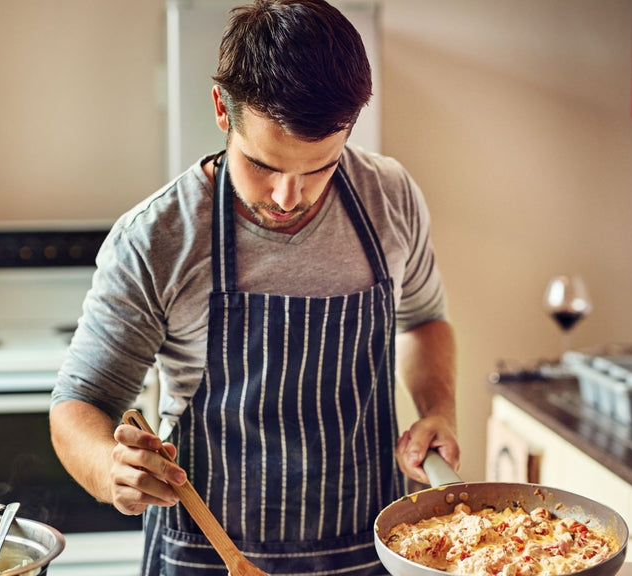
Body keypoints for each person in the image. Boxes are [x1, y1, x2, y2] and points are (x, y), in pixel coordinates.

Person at [50, 1, 459, 574]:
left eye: (318, 168)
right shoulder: (158, 238)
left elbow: (423, 320)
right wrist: (108, 469)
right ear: (223, 108)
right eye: (264, 165)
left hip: (366, 548)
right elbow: (80, 403)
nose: (290, 198)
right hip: (210, 554)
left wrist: (438, 410)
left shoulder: (389, 197)